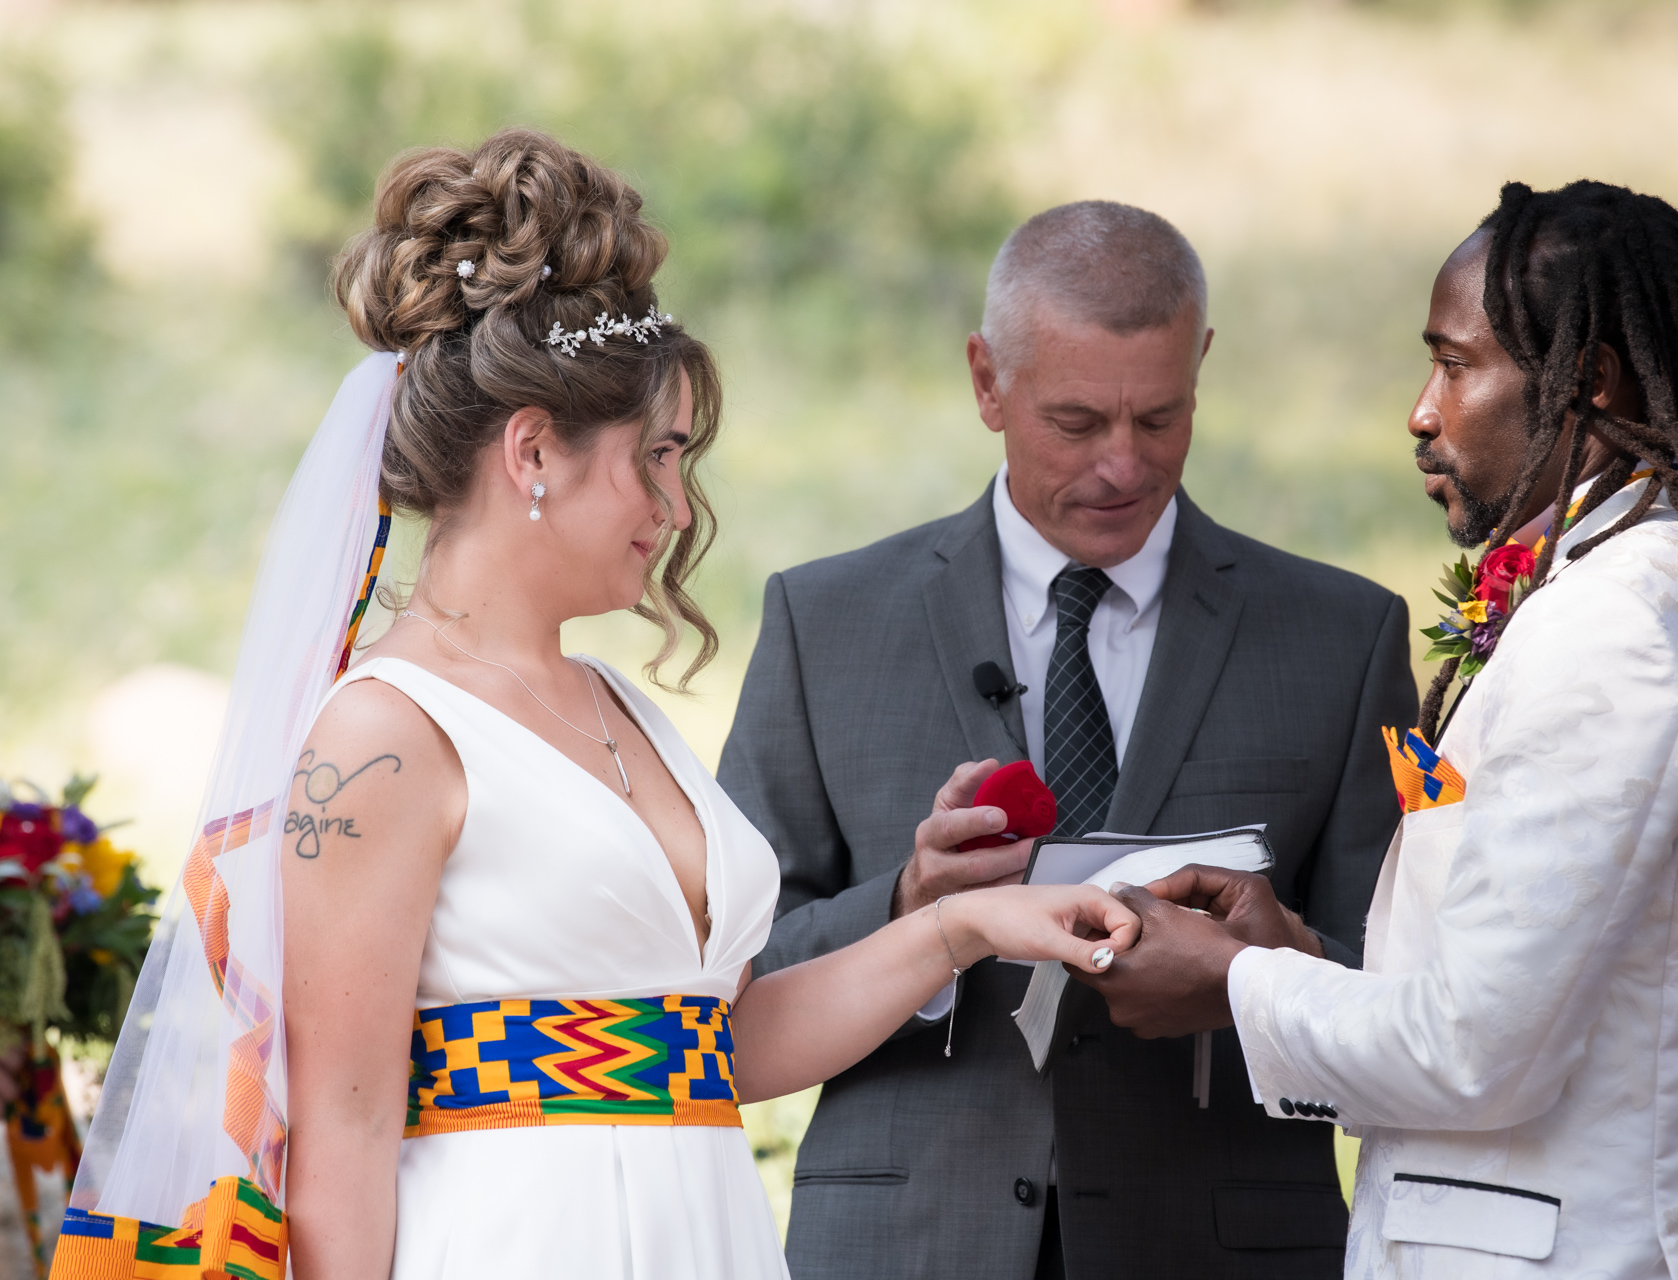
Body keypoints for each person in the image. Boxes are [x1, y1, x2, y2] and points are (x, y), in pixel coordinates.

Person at [48, 129, 1139, 1280]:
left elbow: (719, 1045)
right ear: (533, 452)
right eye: (655, 456)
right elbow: (343, 1136)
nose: (678, 508)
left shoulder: (620, 705)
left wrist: (961, 928)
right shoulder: (386, 736)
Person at [1085, 180, 1678, 1278]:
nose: (1422, 412)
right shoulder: (1639, 585)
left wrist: (1231, 982)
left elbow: (1477, 1053)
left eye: (1456, 364)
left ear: (1590, 382)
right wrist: (1290, 956)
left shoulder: (1616, 623)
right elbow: (1519, 986)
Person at [717, 201, 1416, 1279]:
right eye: (1078, 423)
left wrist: (1268, 963)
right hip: (907, 1247)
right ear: (986, 382)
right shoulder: (825, 622)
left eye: (1161, 418)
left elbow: (1409, 991)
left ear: (1202, 367)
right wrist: (909, 904)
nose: (1124, 466)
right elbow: (728, 983)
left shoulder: (1343, 636)